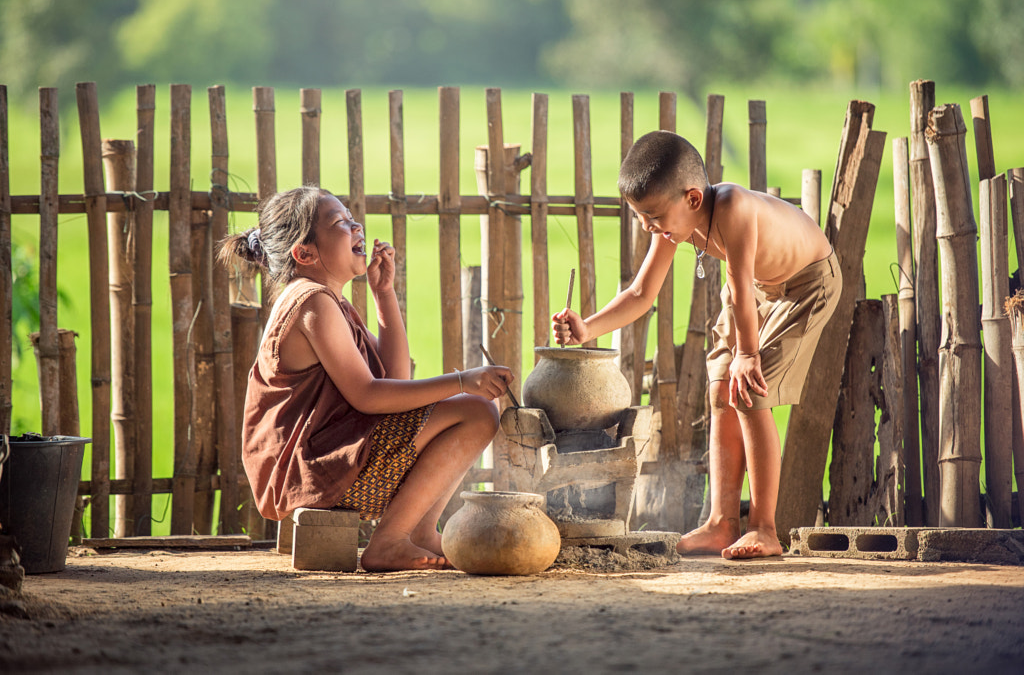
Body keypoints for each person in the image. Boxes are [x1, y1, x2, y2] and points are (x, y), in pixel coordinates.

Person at [552, 131, 841, 560]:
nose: (648, 226)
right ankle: (721, 523)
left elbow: (740, 288)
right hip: (758, 289)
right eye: (640, 217)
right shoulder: (675, 222)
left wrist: (747, 354)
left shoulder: (734, 208)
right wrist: (587, 329)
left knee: (748, 392)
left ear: (691, 199)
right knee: (719, 389)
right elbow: (640, 294)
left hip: (805, 285)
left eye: (652, 216)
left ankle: (764, 529)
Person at [221, 187, 513, 572]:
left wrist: (383, 294)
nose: (356, 226)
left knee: (471, 410)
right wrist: (462, 381)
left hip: (332, 456)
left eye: (351, 218)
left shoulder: (330, 302)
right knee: (476, 412)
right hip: (312, 467)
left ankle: (420, 533)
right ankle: (389, 542)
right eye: (340, 223)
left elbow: (396, 379)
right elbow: (369, 396)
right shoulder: (310, 302)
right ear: (304, 254)